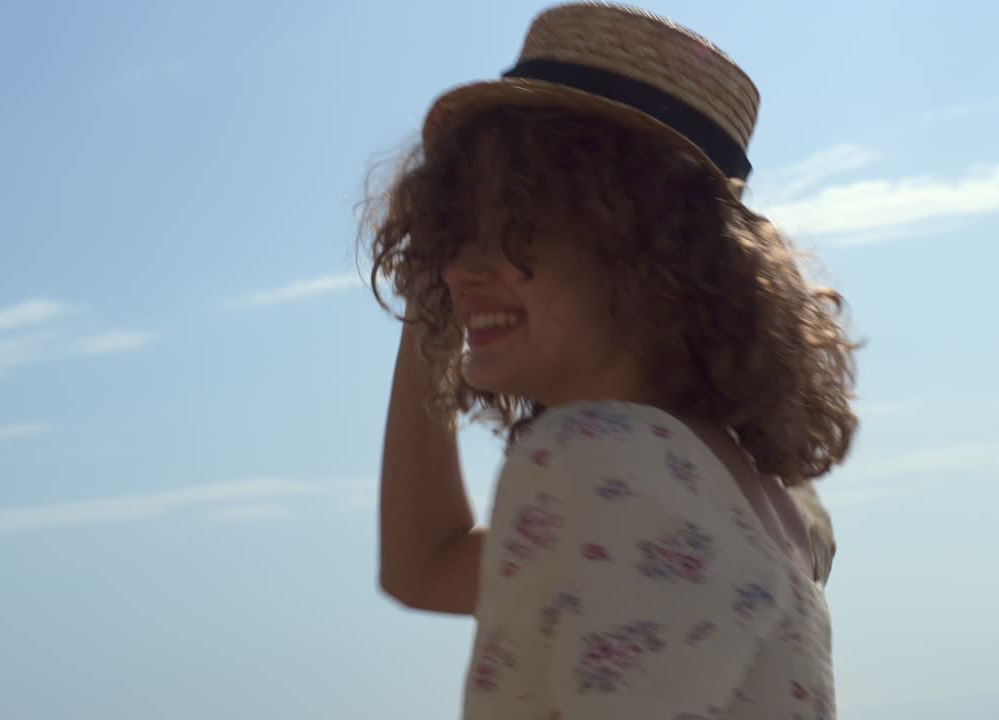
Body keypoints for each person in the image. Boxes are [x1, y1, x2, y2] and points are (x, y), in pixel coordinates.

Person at [360, 3, 858, 718]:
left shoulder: (595, 457)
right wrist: (434, 302)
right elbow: (425, 567)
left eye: (515, 226)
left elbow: (423, 573)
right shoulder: (765, 497)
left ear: (644, 249)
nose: (458, 267)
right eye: (452, 231)